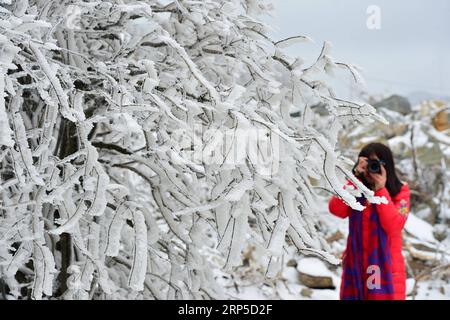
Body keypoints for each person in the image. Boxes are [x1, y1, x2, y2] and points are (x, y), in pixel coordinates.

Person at [329, 142, 410, 300]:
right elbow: (335, 209)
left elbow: (394, 226)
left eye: (376, 164)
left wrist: (381, 190)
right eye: (367, 163)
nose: (372, 169)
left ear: (387, 166)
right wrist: (354, 180)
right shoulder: (355, 190)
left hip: (387, 272)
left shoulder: (400, 192)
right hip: (356, 269)